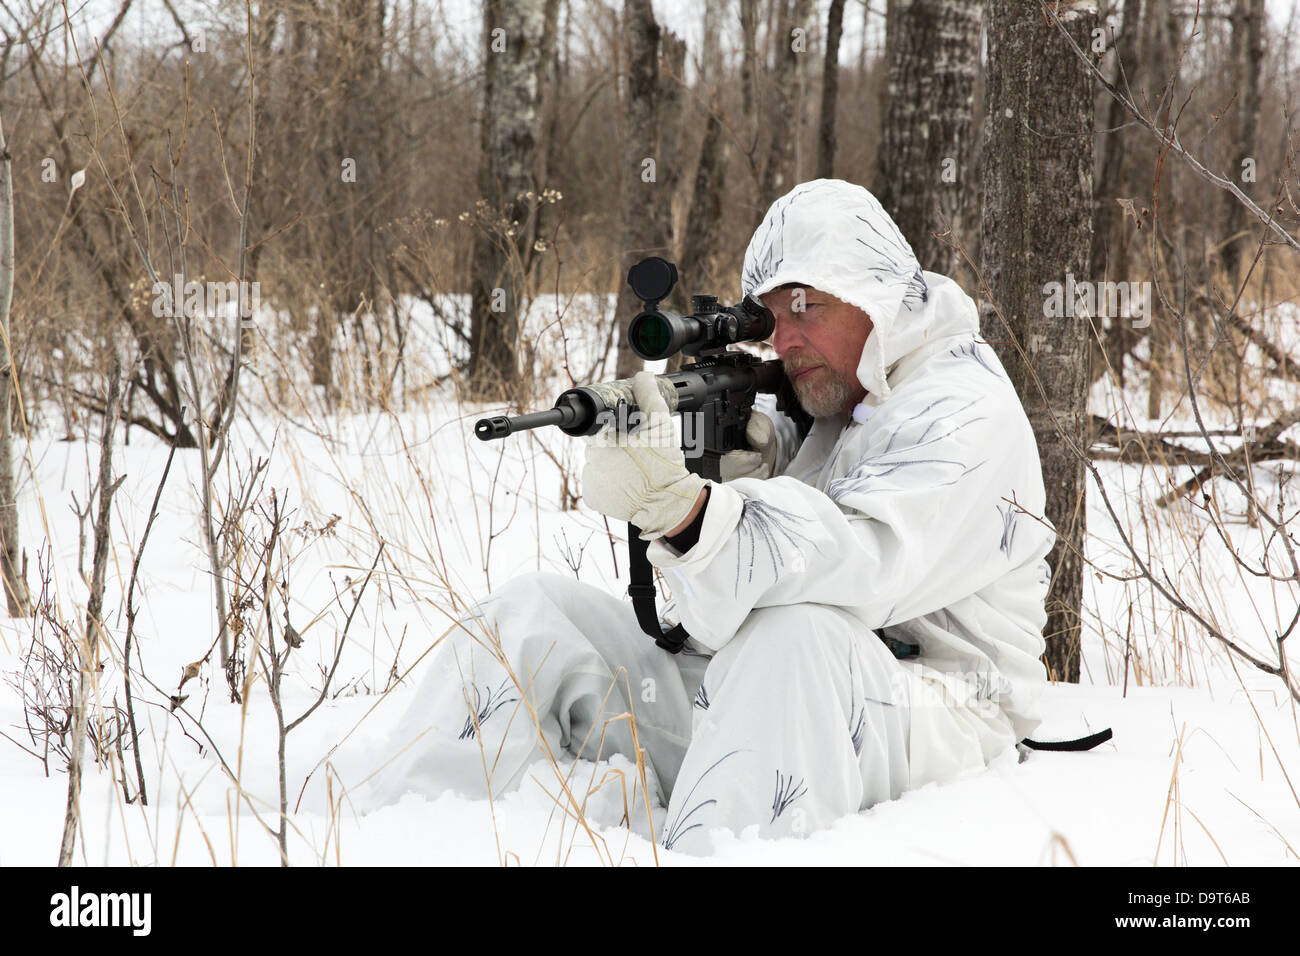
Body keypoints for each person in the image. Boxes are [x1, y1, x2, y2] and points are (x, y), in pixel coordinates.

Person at [364, 179, 1055, 856]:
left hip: (943, 712)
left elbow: (866, 561)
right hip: (765, 693)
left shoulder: (963, 409)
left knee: (795, 635)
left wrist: (693, 513)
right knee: (531, 615)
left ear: (873, 293)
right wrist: (750, 457)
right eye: (772, 317)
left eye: (806, 307)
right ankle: (405, 835)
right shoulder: (845, 396)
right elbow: (795, 530)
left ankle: (709, 848)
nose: (783, 340)